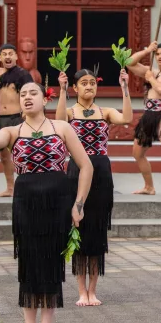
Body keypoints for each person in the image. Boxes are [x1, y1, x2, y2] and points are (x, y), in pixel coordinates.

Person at [0, 79, 93, 323]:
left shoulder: (61, 127)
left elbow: (86, 166)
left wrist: (79, 204)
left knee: (52, 261)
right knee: (29, 262)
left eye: (33, 93)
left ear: (45, 99)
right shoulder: (13, 131)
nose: (27, 97)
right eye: (23, 94)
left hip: (57, 202)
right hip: (26, 202)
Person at [56, 67, 132, 307]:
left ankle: (92, 291)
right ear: (75, 88)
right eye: (84, 83)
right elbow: (58, 122)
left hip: (101, 172)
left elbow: (127, 118)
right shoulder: (69, 112)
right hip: (76, 172)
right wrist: (60, 90)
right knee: (78, 228)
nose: (89, 87)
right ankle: (80, 291)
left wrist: (125, 88)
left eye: (92, 83)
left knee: (97, 231)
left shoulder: (105, 111)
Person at [125, 41, 161, 199]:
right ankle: (149, 186)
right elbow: (129, 63)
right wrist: (147, 51)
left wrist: (150, 78)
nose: (159, 56)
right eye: (157, 54)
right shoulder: (153, 71)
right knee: (137, 154)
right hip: (149, 115)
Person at [0, 43, 35, 197]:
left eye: (11, 53)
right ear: (0, 58)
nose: (8, 56)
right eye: (4, 54)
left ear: (16, 56)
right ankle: (10, 188)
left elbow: (31, 95)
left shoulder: (23, 74)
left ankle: (30, 186)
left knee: (23, 153)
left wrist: (28, 116)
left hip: (18, 117)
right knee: (4, 155)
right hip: (3, 120)